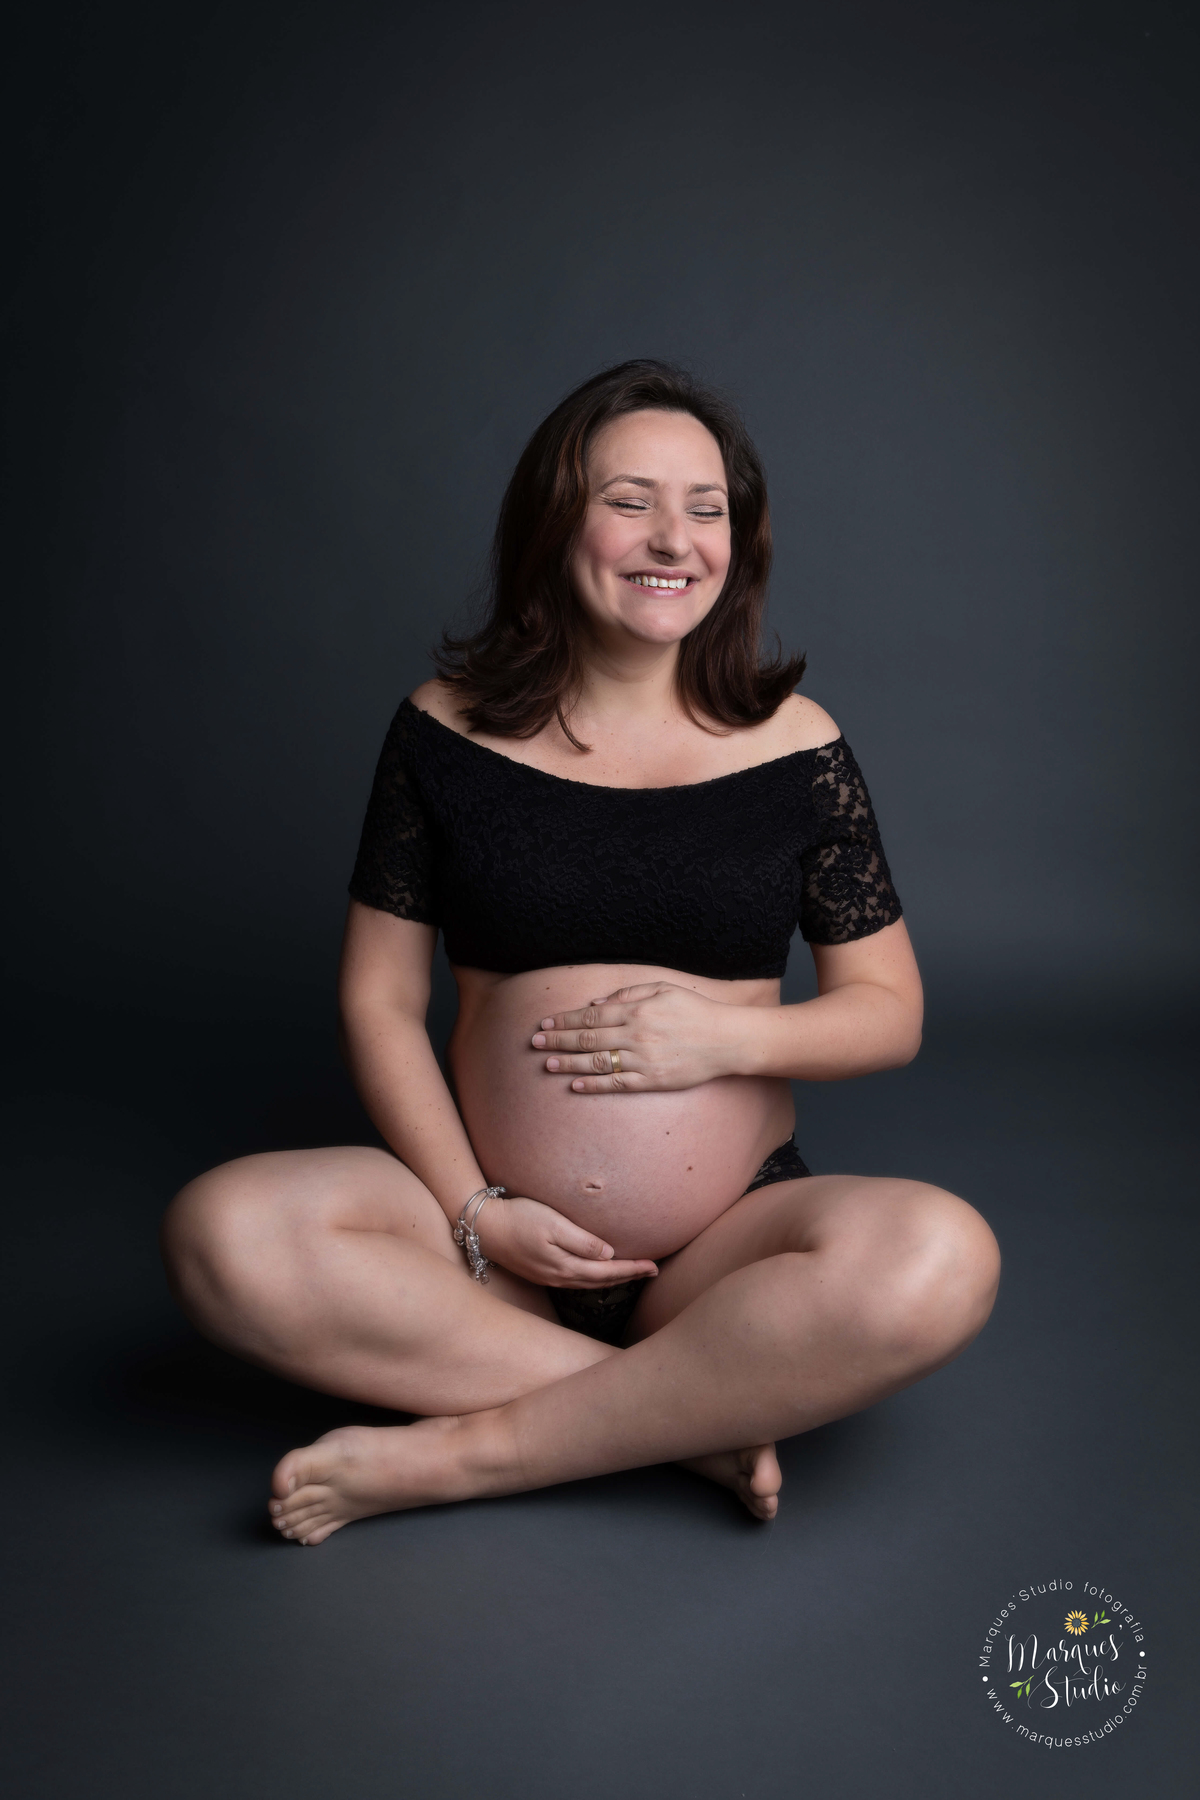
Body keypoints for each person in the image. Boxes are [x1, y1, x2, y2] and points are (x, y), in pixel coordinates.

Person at [161, 360, 1000, 1546]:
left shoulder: (796, 745)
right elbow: (379, 1004)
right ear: (557, 520)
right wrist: (472, 1210)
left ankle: (470, 1451)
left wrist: (722, 1035)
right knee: (221, 1233)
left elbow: (886, 1012)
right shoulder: (440, 730)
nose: (674, 537)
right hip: (485, 1252)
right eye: (630, 499)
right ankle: (681, 1418)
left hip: (721, 1245)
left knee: (943, 1256)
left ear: (740, 541)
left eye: (707, 508)